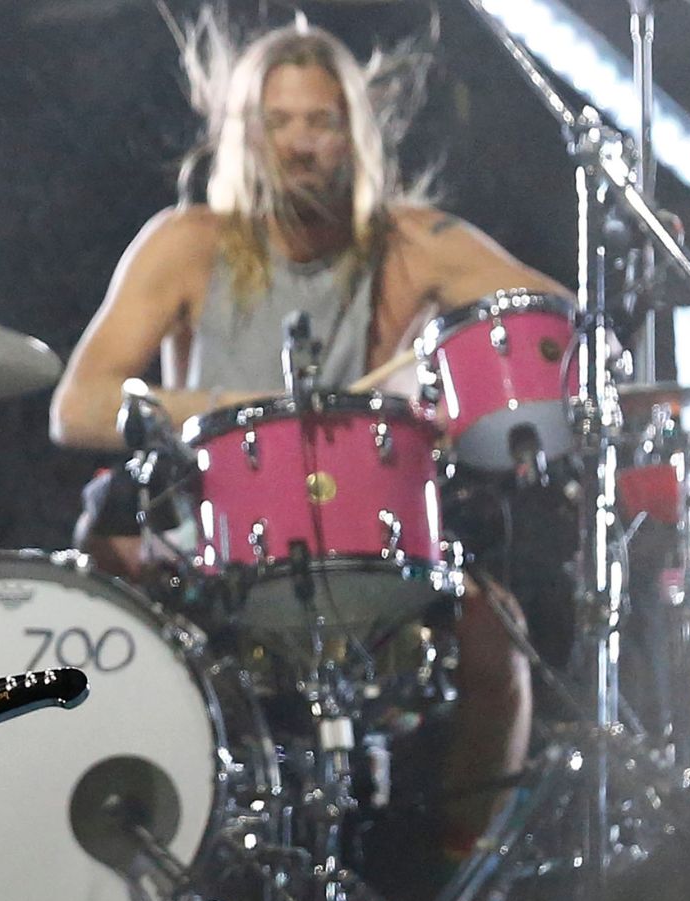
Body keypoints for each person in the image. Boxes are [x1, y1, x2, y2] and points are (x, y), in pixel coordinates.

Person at [49, 14, 570, 856]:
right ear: (242, 136)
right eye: (276, 123)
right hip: (205, 559)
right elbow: (77, 407)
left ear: (354, 132)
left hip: (373, 556)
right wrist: (245, 406)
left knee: (496, 642)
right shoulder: (187, 243)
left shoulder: (413, 241)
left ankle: (448, 893)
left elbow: (549, 325)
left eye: (320, 122)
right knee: (105, 568)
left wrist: (441, 378)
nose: (298, 146)